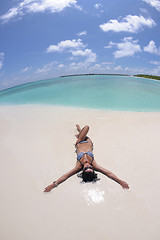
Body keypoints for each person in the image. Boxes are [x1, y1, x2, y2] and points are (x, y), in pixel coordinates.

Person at [44, 125, 129, 193]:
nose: (88, 166)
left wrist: (53, 185)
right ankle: (79, 131)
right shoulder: (94, 165)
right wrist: (120, 181)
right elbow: (108, 173)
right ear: (93, 169)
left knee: (86, 128)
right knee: (86, 128)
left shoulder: (78, 166)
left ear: (83, 170)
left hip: (80, 142)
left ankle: (79, 132)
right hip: (88, 141)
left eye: (86, 168)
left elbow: (65, 176)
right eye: (90, 168)